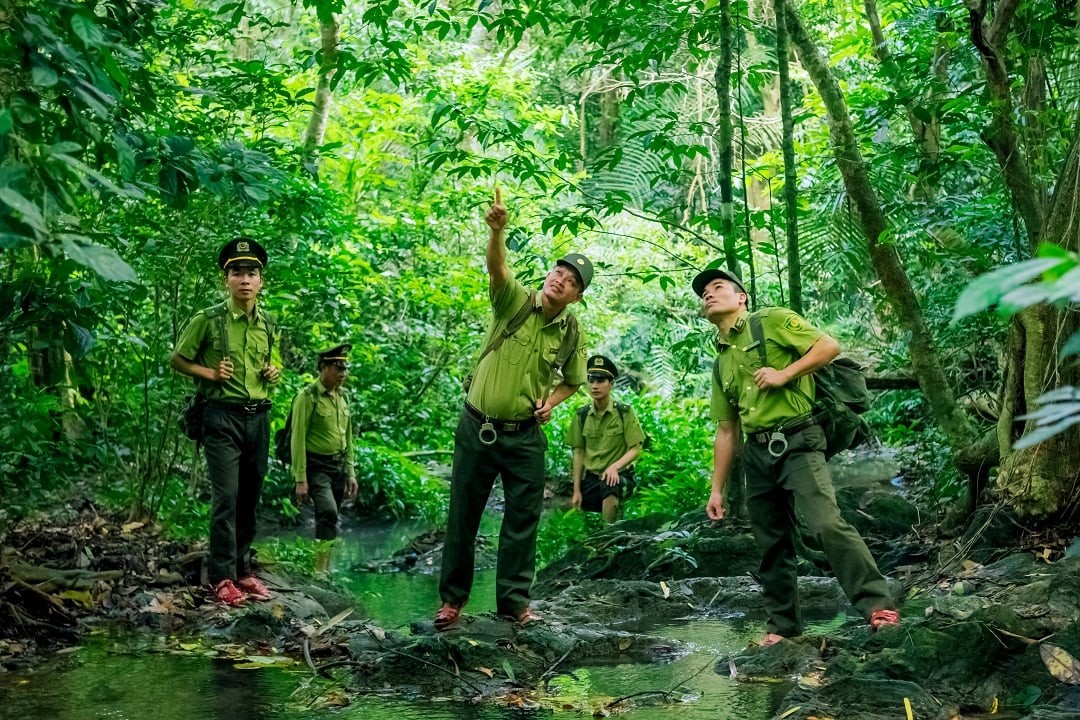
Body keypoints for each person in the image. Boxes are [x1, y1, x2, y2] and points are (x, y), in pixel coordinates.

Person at [695, 264, 899, 645]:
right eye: (703, 292)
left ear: (741, 297)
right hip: (756, 453)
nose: (708, 293)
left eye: (717, 287)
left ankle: (877, 606)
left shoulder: (770, 321)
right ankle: (783, 628)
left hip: (798, 439)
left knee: (825, 523)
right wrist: (717, 489)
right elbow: (726, 429)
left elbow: (828, 347)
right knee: (771, 543)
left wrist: (785, 374)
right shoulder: (721, 360)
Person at [434, 188, 590, 631]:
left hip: (524, 438)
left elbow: (573, 381)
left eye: (571, 280)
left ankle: (514, 604)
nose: (560, 279)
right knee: (463, 515)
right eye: (558, 271)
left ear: (577, 296)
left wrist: (551, 403)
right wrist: (497, 231)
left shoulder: (571, 331)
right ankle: (451, 602)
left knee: (522, 520)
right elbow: (497, 268)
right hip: (477, 428)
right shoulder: (514, 300)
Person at [171, 238, 281, 607]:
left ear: (261, 280)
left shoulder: (267, 322)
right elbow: (178, 359)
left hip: (258, 417)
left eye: (251, 273)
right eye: (237, 272)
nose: (245, 280)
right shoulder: (208, 319)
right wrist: (210, 372)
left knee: (250, 496)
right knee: (226, 497)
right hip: (221, 417)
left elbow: (271, 360)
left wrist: (273, 370)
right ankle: (221, 577)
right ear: (226, 279)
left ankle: (244, 571)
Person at [291, 344, 358, 540]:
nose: (343, 373)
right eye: (338, 368)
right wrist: (301, 479)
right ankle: (320, 567)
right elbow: (298, 439)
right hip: (317, 466)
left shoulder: (342, 396)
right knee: (328, 511)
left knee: (330, 517)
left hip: (338, 465)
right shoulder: (308, 397)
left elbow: (348, 437)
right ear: (324, 367)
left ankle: (323, 564)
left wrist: (350, 472)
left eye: (345, 368)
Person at [568, 355, 646, 523]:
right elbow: (579, 453)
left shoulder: (624, 413)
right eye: (591, 380)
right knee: (587, 520)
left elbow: (636, 448)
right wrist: (576, 490)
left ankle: (607, 538)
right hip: (591, 478)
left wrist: (614, 467)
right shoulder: (581, 415)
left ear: (611, 384)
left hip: (619, 476)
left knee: (610, 484)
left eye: (601, 380)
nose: (595, 386)